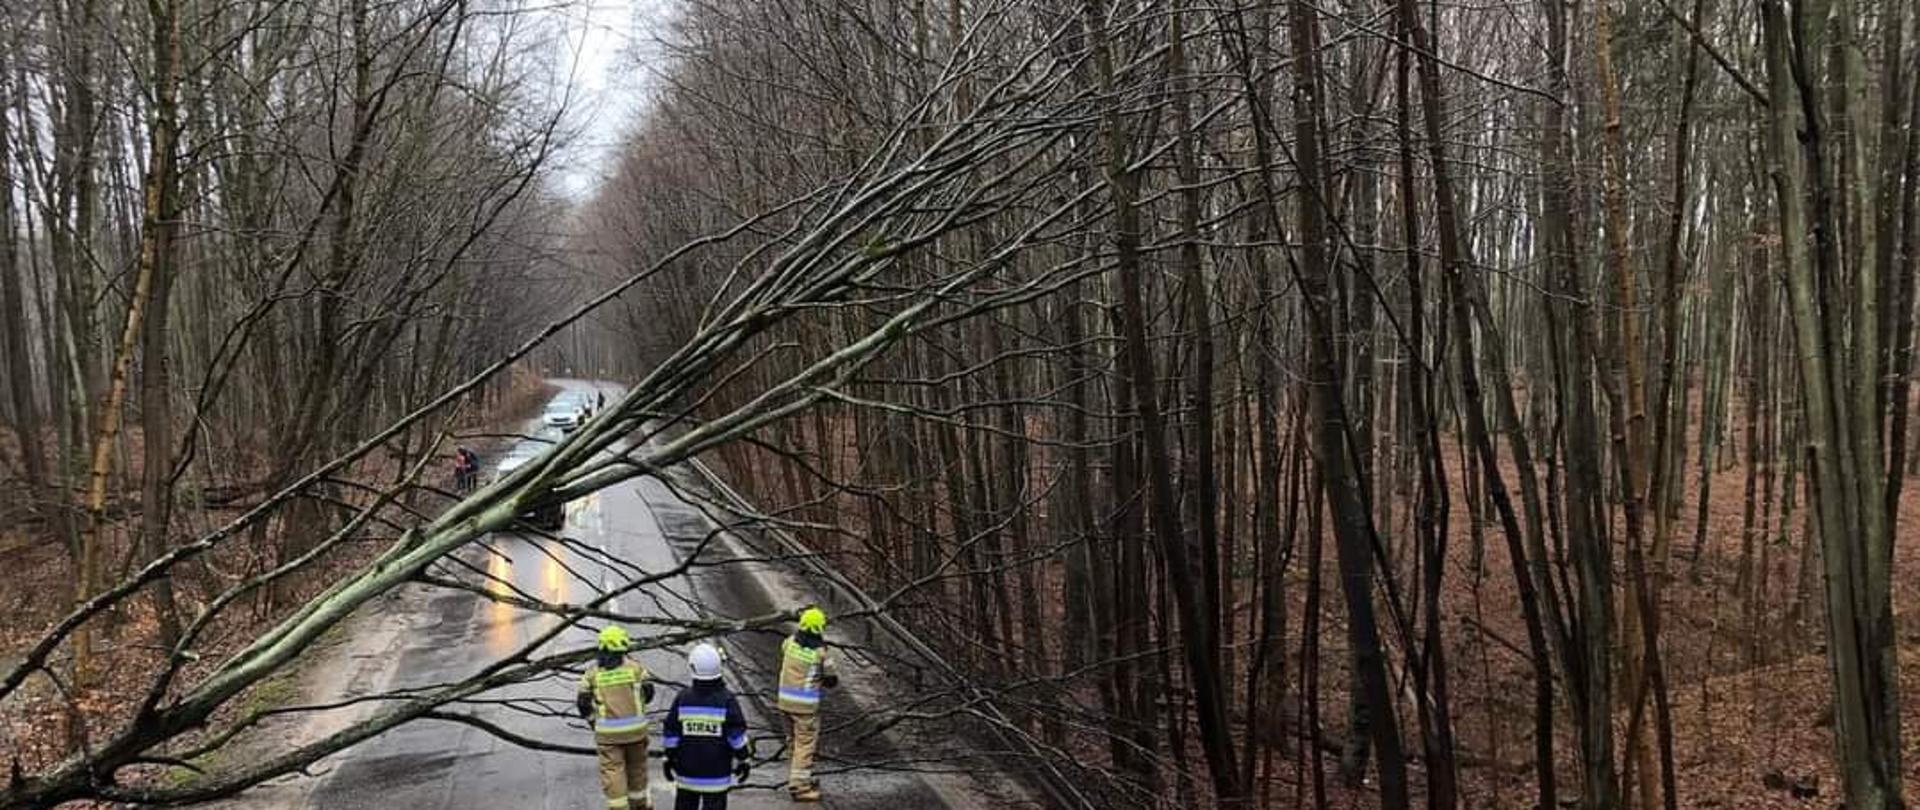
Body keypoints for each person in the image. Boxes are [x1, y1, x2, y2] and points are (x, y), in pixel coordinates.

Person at [661, 643, 751, 810]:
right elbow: (736, 737)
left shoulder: (683, 698)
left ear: (692, 667)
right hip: (716, 777)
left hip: (687, 775)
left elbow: (671, 734)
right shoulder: (727, 700)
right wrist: (743, 759)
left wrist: (669, 757)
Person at [578, 626, 656, 810]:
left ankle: (619, 807)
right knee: (637, 768)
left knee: (613, 771)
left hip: (608, 735)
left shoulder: (592, 674)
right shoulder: (636, 668)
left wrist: (593, 722)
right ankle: (640, 804)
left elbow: (582, 703)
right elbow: (649, 692)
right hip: (636, 732)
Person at [776, 606, 838, 802]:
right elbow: (831, 680)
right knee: (805, 745)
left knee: (793, 742)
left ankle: (799, 776)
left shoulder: (789, 643)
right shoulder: (821, 653)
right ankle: (800, 786)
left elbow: (785, 652)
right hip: (805, 707)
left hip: (784, 702)